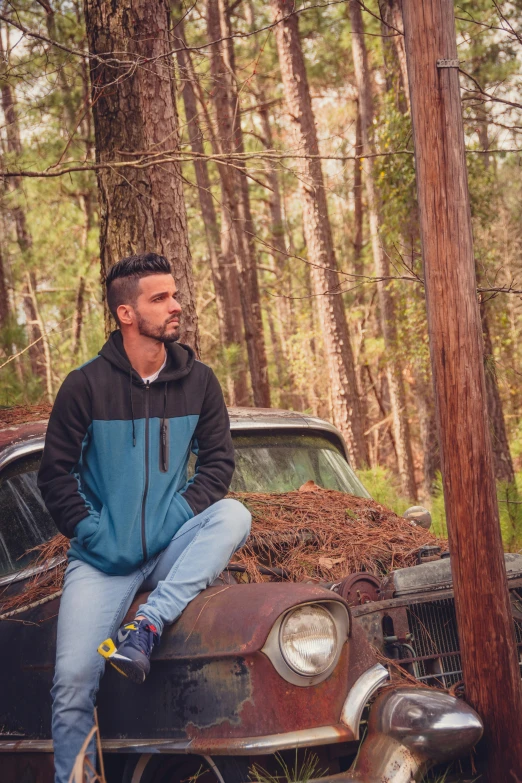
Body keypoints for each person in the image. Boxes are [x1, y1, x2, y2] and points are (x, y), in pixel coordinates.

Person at [37, 252, 251, 783]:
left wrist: (176, 514)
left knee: (232, 515)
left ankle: (148, 624)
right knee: (72, 679)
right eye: (160, 298)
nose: (175, 306)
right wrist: (94, 533)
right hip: (102, 561)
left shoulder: (198, 381)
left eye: (174, 295)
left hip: (170, 544)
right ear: (126, 314)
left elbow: (218, 462)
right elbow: (54, 475)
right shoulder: (84, 386)